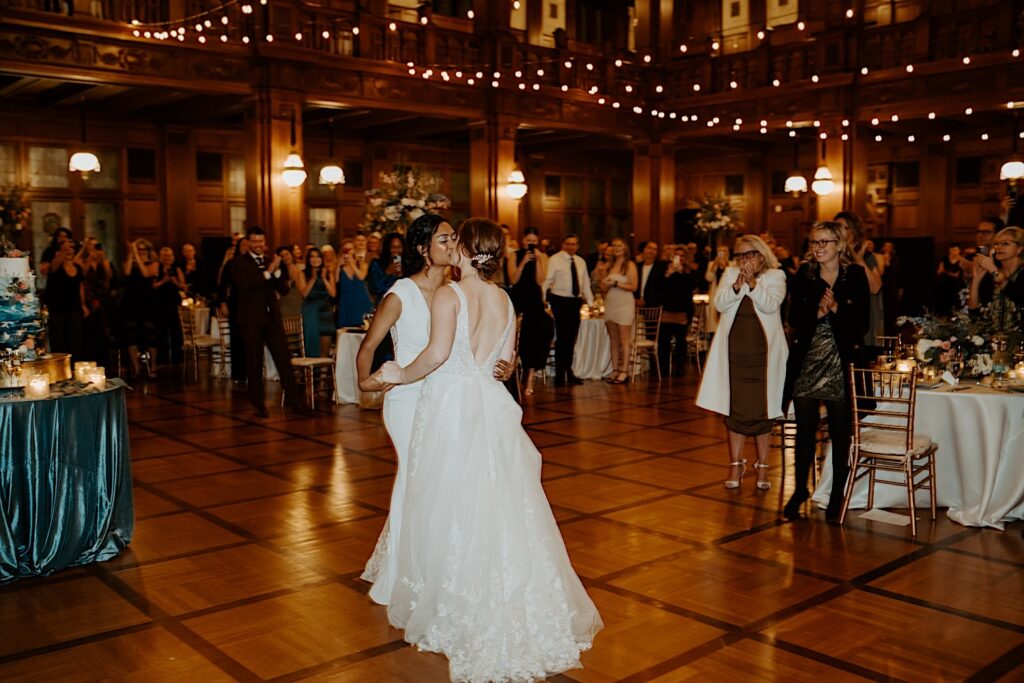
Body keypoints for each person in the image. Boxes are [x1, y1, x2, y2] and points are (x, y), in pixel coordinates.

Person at [376, 217, 602, 681]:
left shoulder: (448, 294)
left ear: (464, 248)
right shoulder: (503, 297)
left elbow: (437, 355)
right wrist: (498, 368)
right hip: (491, 403)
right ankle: (511, 593)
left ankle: (455, 599)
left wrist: (397, 374)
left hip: (452, 407)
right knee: (500, 502)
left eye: (454, 239)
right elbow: (507, 358)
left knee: (448, 501)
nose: (450, 244)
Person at [783, 221, 870, 524]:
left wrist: (835, 310)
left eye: (825, 242)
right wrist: (818, 313)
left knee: (840, 433)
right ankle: (799, 492)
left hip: (840, 362)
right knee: (804, 431)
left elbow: (862, 323)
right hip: (808, 360)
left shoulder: (855, 276)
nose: (818, 248)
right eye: (815, 242)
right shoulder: (805, 275)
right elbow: (793, 316)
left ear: (839, 245)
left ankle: (837, 495)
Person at [696, 235, 788, 490]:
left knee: (764, 409)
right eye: (741, 256)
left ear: (761, 255)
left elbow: (770, 306)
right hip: (734, 353)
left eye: (750, 255)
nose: (744, 260)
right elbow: (720, 303)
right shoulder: (729, 273)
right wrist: (738, 285)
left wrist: (753, 284)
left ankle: (763, 466)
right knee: (734, 409)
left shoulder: (776, 276)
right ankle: (736, 464)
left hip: (764, 356)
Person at [229, 226, 312, 418]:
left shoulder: (269, 262)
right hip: (250, 320)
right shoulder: (238, 263)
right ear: (249, 242)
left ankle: (295, 401)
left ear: (265, 243)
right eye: (255, 241)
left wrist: (275, 273)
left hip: (271, 318)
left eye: (261, 241)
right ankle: (258, 403)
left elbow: (282, 289)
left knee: (284, 359)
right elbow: (245, 286)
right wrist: (268, 271)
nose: (258, 245)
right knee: (254, 362)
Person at [543, 233, 594, 386]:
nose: (571, 246)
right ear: (563, 245)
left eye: (574, 244)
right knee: (562, 338)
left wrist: (590, 303)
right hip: (560, 300)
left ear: (578, 246)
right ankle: (559, 375)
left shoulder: (581, 261)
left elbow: (585, 284)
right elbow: (547, 280)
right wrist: (543, 300)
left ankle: (569, 372)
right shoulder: (555, 260)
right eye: (568, 244)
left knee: (571, 339)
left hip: (575, 302)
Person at [508, 226, 553, 396]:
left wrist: (539, 261)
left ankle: (530, 375)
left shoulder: (542, 256)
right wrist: (523, 262)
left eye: (534, 242)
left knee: (538, 333)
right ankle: (512, 372)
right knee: (516, 336)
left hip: (534, 299)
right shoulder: (514, 254)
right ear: (523, 240)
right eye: (528, 241)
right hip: (518, 297)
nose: (531, 244)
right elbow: (513, 278)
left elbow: (541, 280)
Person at [836, 211, 882, 346]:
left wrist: (858, 259)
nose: (840, 232)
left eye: (845, 227)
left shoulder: (866, 256)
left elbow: (876, 287)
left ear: (854, 231)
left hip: (860, 316)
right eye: (837, 227)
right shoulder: (832, 255)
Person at [596, 237, 638, 384]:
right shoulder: (609, 266)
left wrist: (616, 283)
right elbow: (603, 290)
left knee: (624, 339)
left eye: (619, 245)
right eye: (614, 245)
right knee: (613, 339)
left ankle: (624, 370)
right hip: (611, 303)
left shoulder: (630, 265)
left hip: (625, 303)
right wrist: (601, 276)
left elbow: (633, 287)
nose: (616, 248)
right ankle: (614, 369)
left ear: (625, 247)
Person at [119, 239, 159, 378]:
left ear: (148, 251)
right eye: (138, 249)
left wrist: (137, 255)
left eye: (143, 250)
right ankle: (136, 369)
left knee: (151, 336)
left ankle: (153, 368)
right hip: (131, 303)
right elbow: (126, 272)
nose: (140, 252)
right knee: (132, 336)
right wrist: (131, 255)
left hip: (147, 303)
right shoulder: (131, 262)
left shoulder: (153, 263)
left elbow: (146, 274)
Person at [46, 238, 88, 359]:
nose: (69, 251)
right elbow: (54, 265)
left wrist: (83, 305)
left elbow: (80, 288)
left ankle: (75, 370)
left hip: (74, 309)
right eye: (65, 249)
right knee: (58, 343)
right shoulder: (55, 266)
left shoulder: (78, 268)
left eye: (71, 248)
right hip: (57, 310)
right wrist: (64, 247)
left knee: (75, 343)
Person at [658, 245, 697, 375]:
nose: (679, 259)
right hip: (667, 310)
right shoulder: (666, 270)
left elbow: (690, 288)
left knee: (681, 341)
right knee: (663, 341)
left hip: (682, 311)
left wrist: (681, 273)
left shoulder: (689, 272)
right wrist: (668, 274)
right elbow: (661, 288)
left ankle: (680, 368)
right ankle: (663, 368)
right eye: (677, 256)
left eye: (682, 256)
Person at [969, 227, 1024, 311]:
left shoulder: (1021, 272)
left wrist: (992, 269)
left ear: (1019, 248)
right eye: (996, 244)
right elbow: (974, 309)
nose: (998, 247)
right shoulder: (991, 274)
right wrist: (976, 281)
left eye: (1005, 243)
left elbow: (1019, 296)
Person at [296, 247, 336, 358]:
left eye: (318, 256)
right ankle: (312, 372)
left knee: (325, 347)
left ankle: (323, 375)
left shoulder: (328, 273)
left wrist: (323, 278)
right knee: (311, 342)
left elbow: (333, 294)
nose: (315, 259)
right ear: (308, 259)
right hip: (310, 310)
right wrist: (313, 278)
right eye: (312, 257)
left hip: (326, 312)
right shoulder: (302, 273)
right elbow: (304, 294)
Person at [152, 246, 187, 368]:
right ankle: (162, 359)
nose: (167, 258)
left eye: (169, 256)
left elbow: (184, 287)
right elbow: (153, 286)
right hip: (160, 303)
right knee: (161, 331)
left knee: (176, 331)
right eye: (164, 256)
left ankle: (177, 359)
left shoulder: (176, 269)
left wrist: (175, 282)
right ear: (160, 257)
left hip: (173, 302)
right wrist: (164, 281)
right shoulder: (157, 268)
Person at [82, 238, 113, 366]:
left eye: (96, 246)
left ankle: (104, 363)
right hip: (88, 300)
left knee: (103, 332)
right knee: (89, 332)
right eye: (91, 246)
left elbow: (109, 276)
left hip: (102, 300)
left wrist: (102, 258)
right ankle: (90, 362)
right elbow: (82, 274)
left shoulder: (103, 262)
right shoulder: (83, 261)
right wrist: (90, 258)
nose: (94, 249)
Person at [335, 238, 374, 328]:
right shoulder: (338, 266)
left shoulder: (362, 264)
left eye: (350, 249)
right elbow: (336, 281)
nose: (348, 252)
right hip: (346, 302)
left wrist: (352, 263)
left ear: (355, 250)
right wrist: (338, 266)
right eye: (345, 249)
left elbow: (361, 277)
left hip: (361, 301)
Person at [367, 232, 404, 301]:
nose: (396, 251)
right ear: (387, 248)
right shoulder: (377, 264)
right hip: (384, 305)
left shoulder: (407, 264)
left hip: (403, 304)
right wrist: (387, 273)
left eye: (399, 247)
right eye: (392, 247)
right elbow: (374, 289)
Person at [705, 246, 732, 333]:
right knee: (713, 321)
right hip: (715, 294)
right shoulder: (711, 264)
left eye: (724, 250)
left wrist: (726, 265)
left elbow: (732, 278)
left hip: (728, 295)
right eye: (720, 251)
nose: (722, 253)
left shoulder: (732, 264)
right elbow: (708, 278)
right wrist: (714, 265)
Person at [935, 244, 965, 314]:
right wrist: (944, 271)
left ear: (959, 251)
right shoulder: (944, 259)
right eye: (952, 250)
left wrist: (945, 271)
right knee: (944, 301)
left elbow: (956, 275)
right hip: (945, 284)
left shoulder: (961, 260)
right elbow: (939, 271)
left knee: (955, 301)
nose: (953, 252)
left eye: (956, 250)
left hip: (956, 285)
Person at [275, 246, 304, 319]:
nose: (286, 257)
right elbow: (278, 292)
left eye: (287, 254)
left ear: (291, 254)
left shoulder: (302, 267)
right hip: (286, 304)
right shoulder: (278, 272)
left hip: (301, 302)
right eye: (282, 256)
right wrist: (291, 280)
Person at [635, 241, 665, 307]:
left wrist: (647, 301)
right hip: (635, 303)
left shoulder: (661, 268)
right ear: (644, 249)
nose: (651, 251)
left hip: (653, 305)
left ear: (656, 253)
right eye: (649, 248)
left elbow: (661, 289)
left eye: (654, 249)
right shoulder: (637, 267)